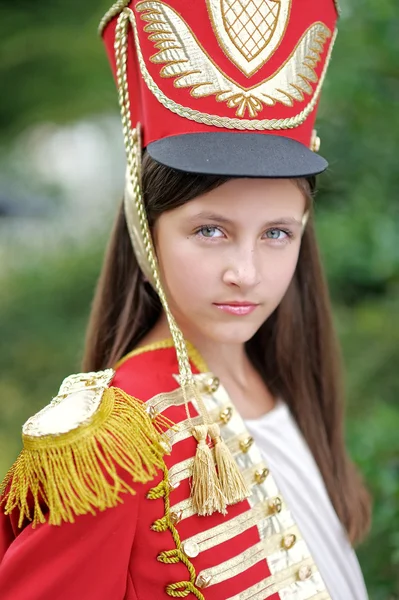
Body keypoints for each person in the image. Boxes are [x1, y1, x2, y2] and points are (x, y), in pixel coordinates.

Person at [0, 0, 371, 598]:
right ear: (145, 231)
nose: (245, 273)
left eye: (277, 233)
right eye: (210, 230)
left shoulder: (286, 382)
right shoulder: (111, 442)